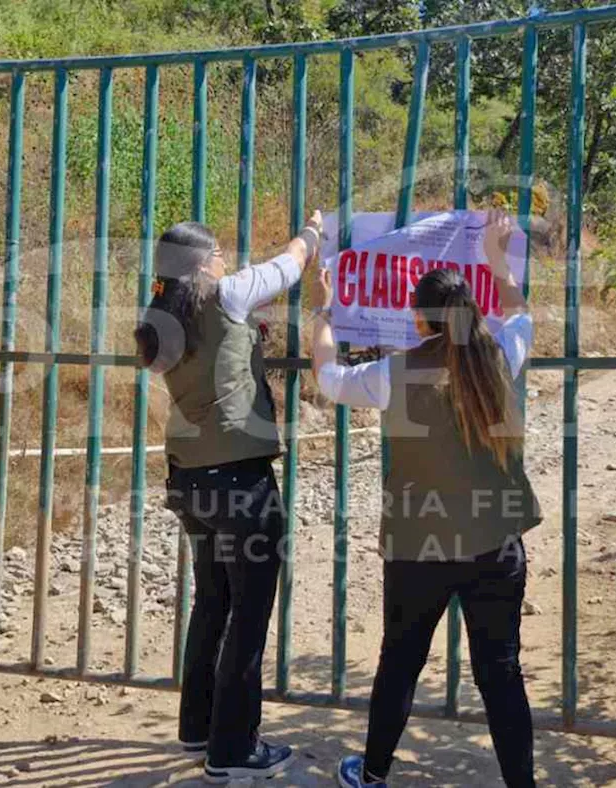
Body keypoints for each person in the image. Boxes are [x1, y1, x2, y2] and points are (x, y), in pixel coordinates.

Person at [308, 210, 541, 788]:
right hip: (495, 544)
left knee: (401, 661)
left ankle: (374, 773)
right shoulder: (501, 355)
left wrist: (324, 308)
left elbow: (330, 378)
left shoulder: (394, 372)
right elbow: (521, 312)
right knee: (502, 674)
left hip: (419, 547)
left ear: (417, 320)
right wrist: (494, 253)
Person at [135, 211, 323, 784]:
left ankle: (198, 727)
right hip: (241, 481)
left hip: (189, 480)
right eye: (217, 252)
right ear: (200, 264)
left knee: (212, 601)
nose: (226, 260)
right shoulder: (229, 296)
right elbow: (287, 266)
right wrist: (313, 234)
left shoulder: (159, 317)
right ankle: (233, 750)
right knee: (248, 612)